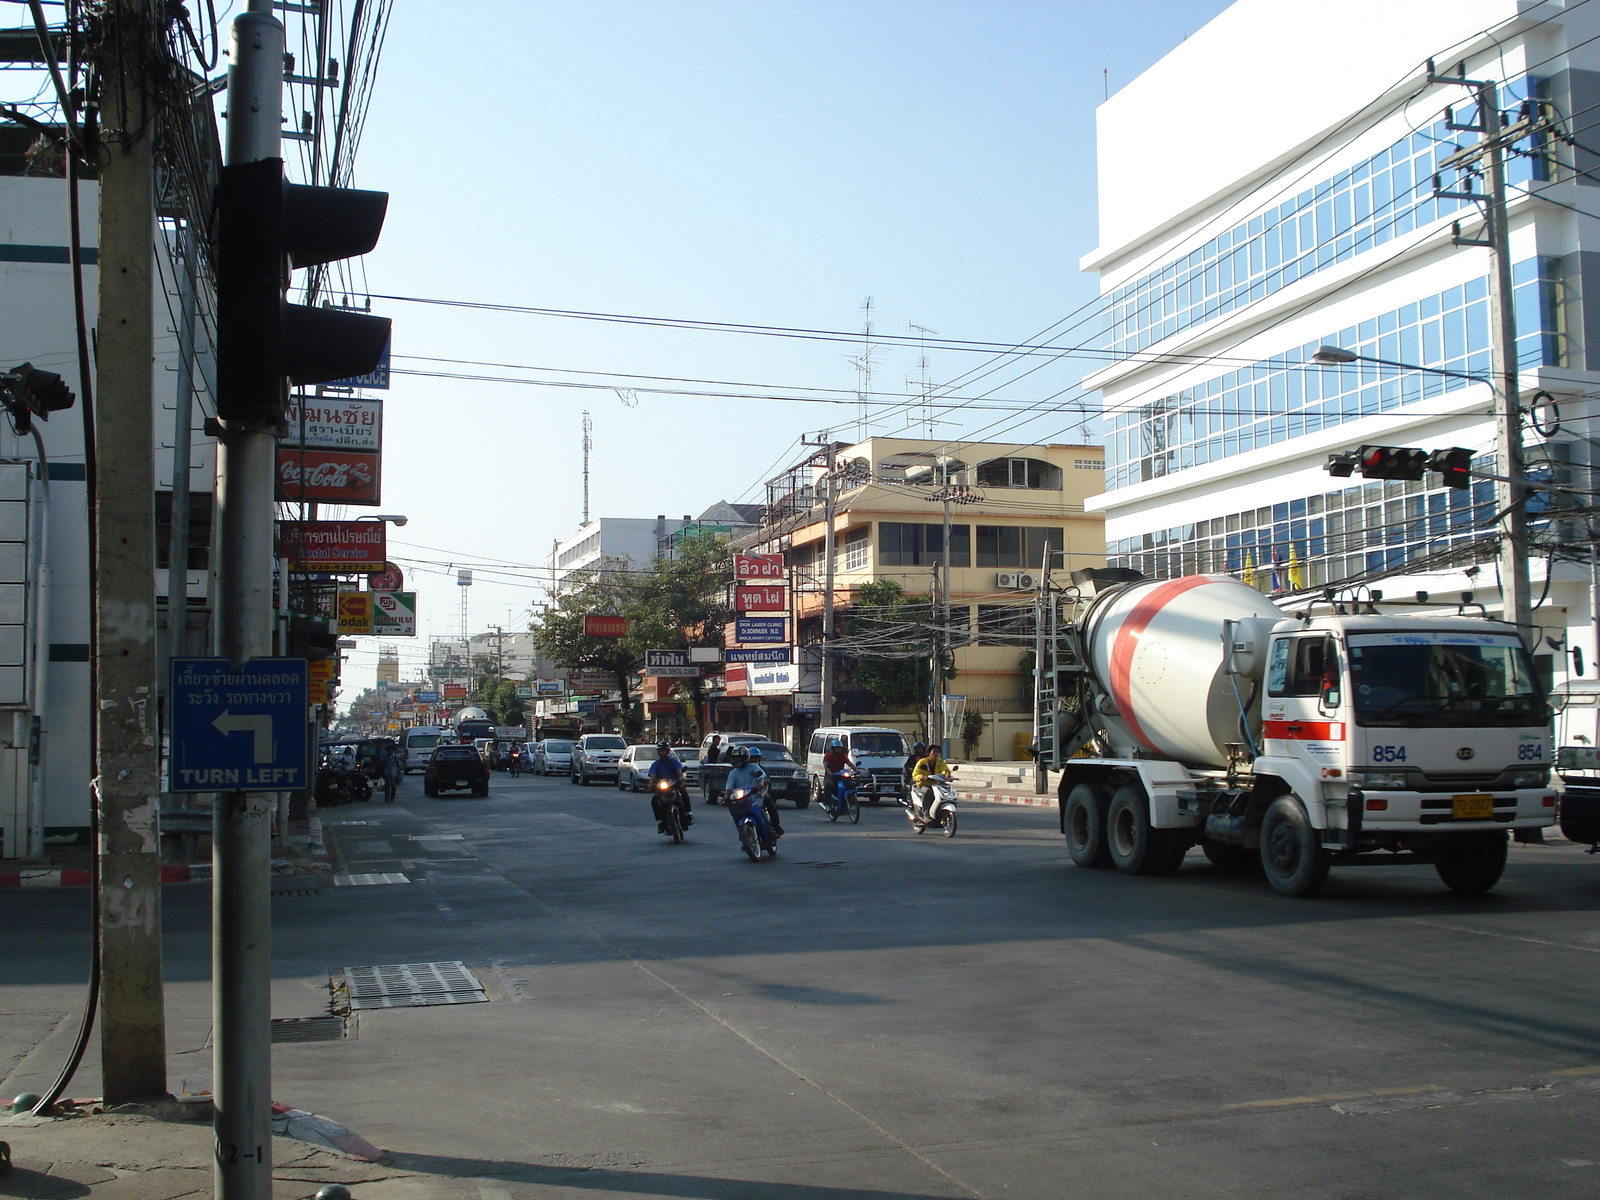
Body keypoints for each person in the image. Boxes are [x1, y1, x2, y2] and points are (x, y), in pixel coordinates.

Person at [723, 746, 780, 841]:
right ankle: (743, 837)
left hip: (755, 796)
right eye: (735, 757)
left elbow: (761, 778)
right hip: (740, 800)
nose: (737, 759)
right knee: (734, 813)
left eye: (739, 757)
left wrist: (759, 786)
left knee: (761, 811)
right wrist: (726, 796)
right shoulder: (733, 773)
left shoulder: (753, 767)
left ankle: (770, 831)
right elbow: (729, 788)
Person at [646, 741, 693, 831]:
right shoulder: (656, 764)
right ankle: (661, 820)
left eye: (662, 750)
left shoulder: (673, 761)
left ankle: (689, 814)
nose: (660, 752)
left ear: (667, 751)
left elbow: (679, 772)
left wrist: (682, 778)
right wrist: (650, 784)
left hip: (674, 784)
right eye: (659, 751)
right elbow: (653, 775)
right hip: (662, 786)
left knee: (684, 793)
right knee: (654, 800)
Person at [909, 743, 951, 815]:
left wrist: (947, 774)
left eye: (937, 752)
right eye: (934, 751)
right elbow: (915, 774)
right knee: (928, 791)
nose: (935, 754)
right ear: (929, 753)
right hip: (924, 785)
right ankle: (926, 814)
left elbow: (945, 770)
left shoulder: (940, 762)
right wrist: (921, 777)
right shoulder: (922, 762)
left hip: (936, 785)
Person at [821, 737, 852, 814]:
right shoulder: (828, 756)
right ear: (832, 749)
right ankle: (827, 804)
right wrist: (829, 772)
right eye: (836, 748)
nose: (838, 750)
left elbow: (849, 763)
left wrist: (857, 770)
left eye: (839, 748)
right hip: (831, 776)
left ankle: (848, 802)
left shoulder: (843, 756)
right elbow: (826, 764)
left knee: (850, 784)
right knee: (828, 785)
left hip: (840, 775)